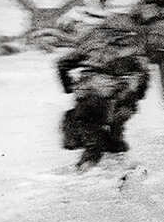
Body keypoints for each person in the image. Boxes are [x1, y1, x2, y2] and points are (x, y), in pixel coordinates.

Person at [57, 10, 150, 168]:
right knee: (116, 141)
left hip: (90, 99)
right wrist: (135, 99)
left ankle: (87, 171)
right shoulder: (134, 46)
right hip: (121, 103)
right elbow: (144, 75)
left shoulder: (92, 41)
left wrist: (69, 87)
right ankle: (121, 168)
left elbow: (62, 64)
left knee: (92, 142)